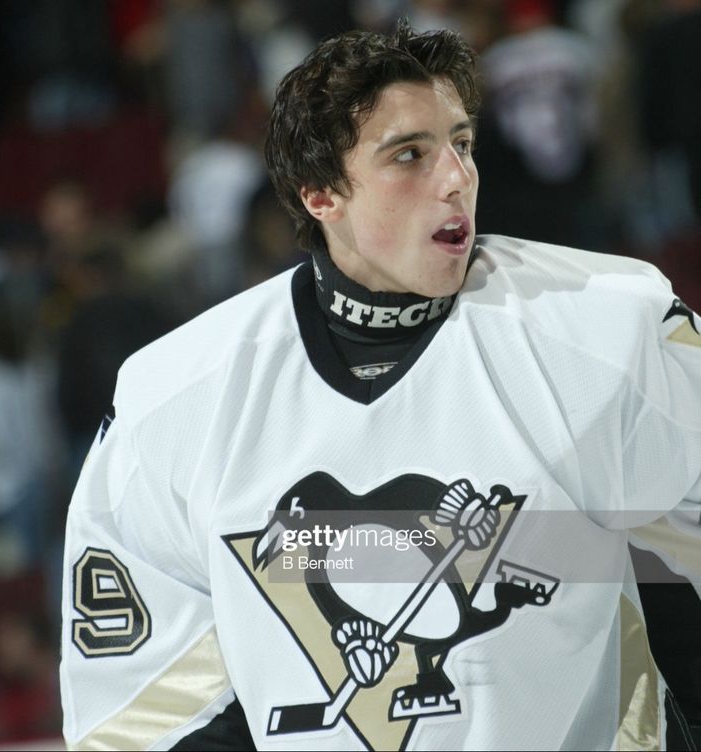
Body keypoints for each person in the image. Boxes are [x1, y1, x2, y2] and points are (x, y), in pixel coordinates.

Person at [59, 20, 701, 751]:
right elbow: (149, 710)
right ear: (321, 195)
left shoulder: (606, 329)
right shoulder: (175, 399)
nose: (457, 177)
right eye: (410, 155)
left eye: (460, 143)